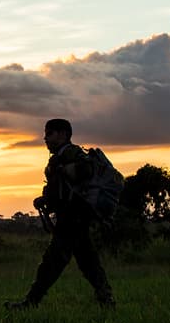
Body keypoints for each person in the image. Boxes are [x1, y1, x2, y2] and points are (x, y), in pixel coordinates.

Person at [7, 118, 116, 310]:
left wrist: (63, 170)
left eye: (50, 133)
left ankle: (31, 302)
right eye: (46, 133)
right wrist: (46, 200)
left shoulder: (72, 153)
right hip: (72, 216)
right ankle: (106, 300)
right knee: (87, 261)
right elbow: (59, 188)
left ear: (63, 134)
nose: (45, 138)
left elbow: (85, 170)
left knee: (53, 262)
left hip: (74, 216)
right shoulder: (59, 156)